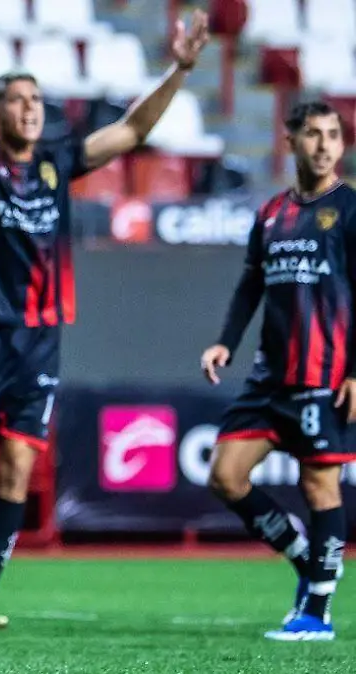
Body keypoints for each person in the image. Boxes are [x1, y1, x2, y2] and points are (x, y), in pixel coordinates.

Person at [0, 1, 210, 628]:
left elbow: (132, 132)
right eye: (17, 99)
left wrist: (179, 70)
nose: (31, 107)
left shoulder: (58, 161)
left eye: (36, 98)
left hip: (39, 340)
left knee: (17, 467)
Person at [202, 101, 355, 642]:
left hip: (325, 375)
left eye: (333, 134)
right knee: (225, 476)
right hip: (269, 379)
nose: (324, 145)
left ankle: (317, 613)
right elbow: (251, 283)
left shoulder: (350, 209)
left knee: (320, 487)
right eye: (312, 134)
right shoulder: (271, 213)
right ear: (290, 141)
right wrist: (225, 342)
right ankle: (303, 559)